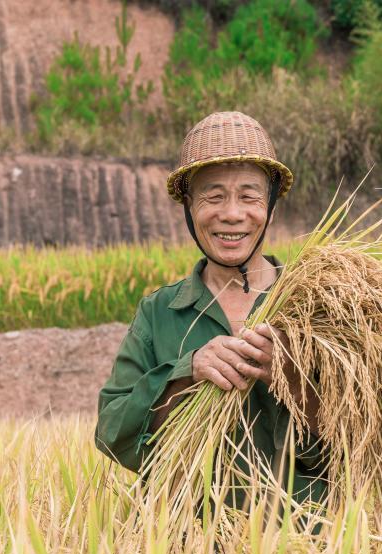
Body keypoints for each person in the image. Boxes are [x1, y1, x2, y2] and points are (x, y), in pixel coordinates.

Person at [94, 111, 327, 508]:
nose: (232, 214)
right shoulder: (160, 311)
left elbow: (374, 445)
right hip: (186, 550)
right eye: (213, 197)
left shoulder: (323, 305)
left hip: (309, 546)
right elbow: (113, 434)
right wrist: (187, 372)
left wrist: (293, 379)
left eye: (249, 196)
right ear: (188, 206)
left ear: (271, 206)